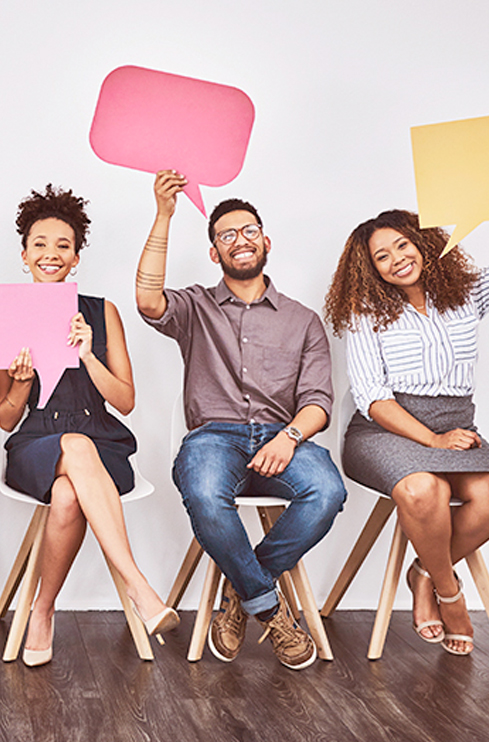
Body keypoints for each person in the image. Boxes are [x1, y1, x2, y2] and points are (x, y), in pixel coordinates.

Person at [324, 138, 489, 656]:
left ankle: (424, 571)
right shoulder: (364, 312)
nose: (396, 259)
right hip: (384, 430)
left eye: (403, 245)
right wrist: (432, 438)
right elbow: (374, 398)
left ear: (424, 244)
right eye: (382, 256)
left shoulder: (465, 296)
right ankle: (449, 595)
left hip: (454, 424)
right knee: (425, 490)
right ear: (371, 270)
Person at [134, 171, 345, 670]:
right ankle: (269, 608)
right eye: (226, 234)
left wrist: (290, 437)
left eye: (248, 230)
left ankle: (242, 587)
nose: (239, 240)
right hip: (213, 437)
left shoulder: (303, 320)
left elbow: (318, 401)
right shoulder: (195, 306)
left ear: (265, 240)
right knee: (205, 494)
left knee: (328, 491)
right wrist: (164, 215)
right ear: (214, 252)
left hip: (282, 437)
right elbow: (146, 300)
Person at [0, 185, 177, 666]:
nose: (50, 254)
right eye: (40, 244)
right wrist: (20, 381)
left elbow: (127, 401)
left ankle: (42, 609)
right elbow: (5, 416)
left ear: (76, 258)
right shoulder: (5, 315)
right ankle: (139, 586)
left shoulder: (102, 311)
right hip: (36, 444)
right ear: (24, 254)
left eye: (62, 246)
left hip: (103, 446)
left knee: (69, 493)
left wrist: (88, 356)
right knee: (70, 447)